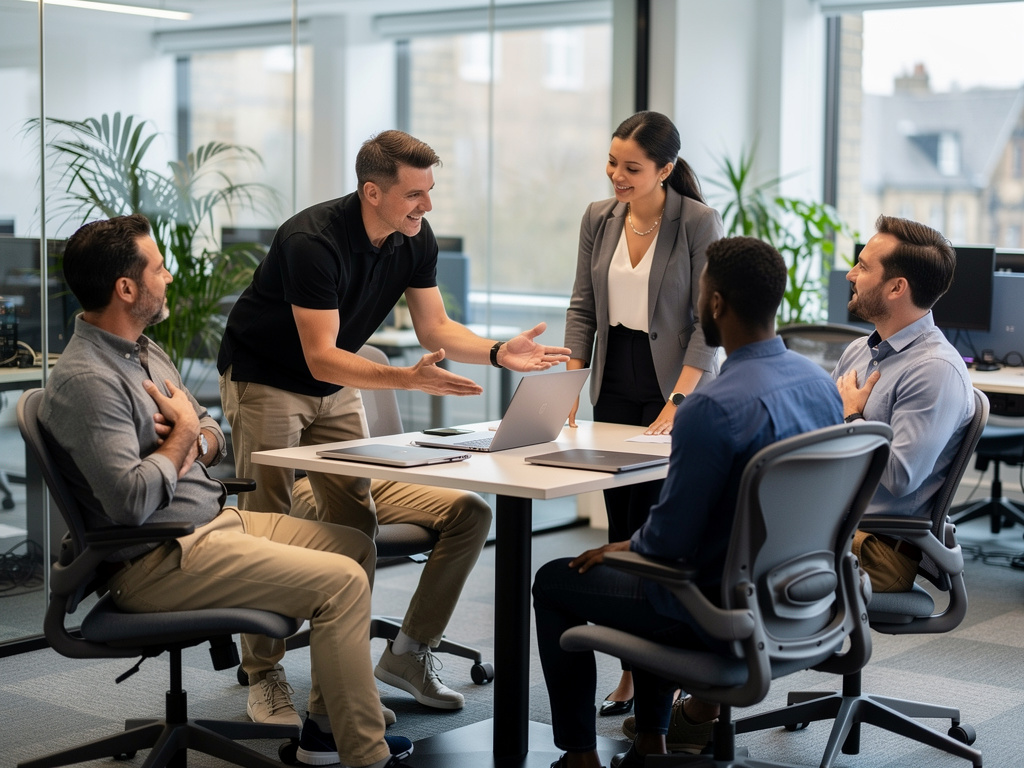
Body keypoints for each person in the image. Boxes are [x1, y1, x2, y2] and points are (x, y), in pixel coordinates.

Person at [217, 129, 570, 722]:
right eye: (415, 194)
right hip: (269, 379)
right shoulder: (312, 241)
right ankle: (264, 670)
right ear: (372, 192)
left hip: (334, 387)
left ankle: (361, 669)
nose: (427, 206)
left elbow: (435, 328)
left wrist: (496, 351)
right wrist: (407, 380)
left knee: (356, 518)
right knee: (267, 522)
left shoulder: (413, 237)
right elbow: (320, 355)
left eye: (430, 192)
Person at [39, 214, 413, 768]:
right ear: (125, 288)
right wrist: (184, 437)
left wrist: (197, 439)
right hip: (162, 557)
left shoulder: (141, 350)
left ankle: (327, 729)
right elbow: (130, 501)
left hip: (212, 524)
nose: (168, 278)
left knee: (355, 544)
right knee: (340, 584)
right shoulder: (88, 381)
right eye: (159, 269)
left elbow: (210, 425)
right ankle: (366, 756)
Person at [533, 236, 844, 768]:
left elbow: (668, 547)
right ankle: (651, 739)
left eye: (701, 289)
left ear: (715, 304)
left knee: (556, 579)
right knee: (645, 567)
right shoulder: (821, 385)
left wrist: (623, 548)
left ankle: (581, 755)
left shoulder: (711, 408)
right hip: (799, 597)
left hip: (716, 605)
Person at [563, 110, 723, 714]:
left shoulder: (697, 222)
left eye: (632, 167)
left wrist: (681, 400)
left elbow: (708, 323)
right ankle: (634, 669)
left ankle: (660, 668)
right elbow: (582, 307)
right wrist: (572, 381)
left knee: (654, 534)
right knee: (618, 522)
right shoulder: (598, 217)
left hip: (675, 379)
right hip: (615, 378)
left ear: (666, 169)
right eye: (612, 163)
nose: (616, 176)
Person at [835, 214, 975, 592]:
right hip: (833, 525)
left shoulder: (934, 370)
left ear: (896, 287)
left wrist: (853, 417)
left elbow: (900, 477)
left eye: (863, 266)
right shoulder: (859, 351)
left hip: (877, 550)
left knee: (730, 558)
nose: (850, 273)